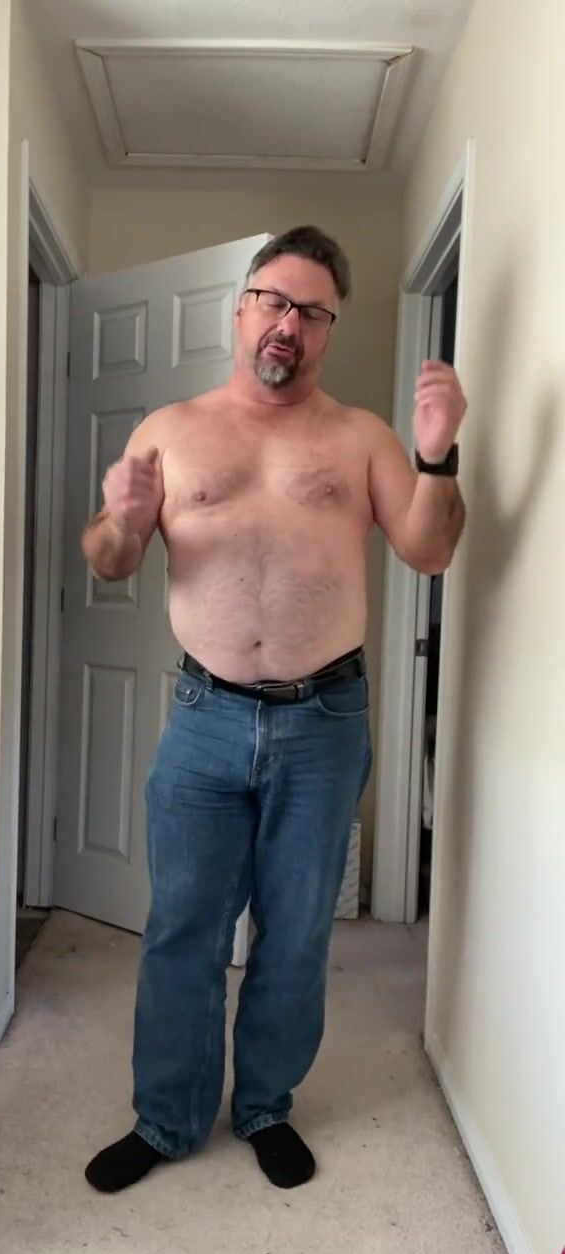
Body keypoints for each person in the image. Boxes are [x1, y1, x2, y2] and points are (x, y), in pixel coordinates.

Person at [81, 226, 467, 1194]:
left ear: (328, 328)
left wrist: (437, 456)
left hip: (323, 720)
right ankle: (168, 1117)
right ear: (241, 308)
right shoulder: (170, 429)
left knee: (296, 930)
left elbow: (429, 550)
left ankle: (264, 1104)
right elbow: (110, 559)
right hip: (204, 715)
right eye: (274, 301)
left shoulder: (361, 436)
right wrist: (120, 517)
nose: (288, 323)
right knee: (184, 927)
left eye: (311, 310)